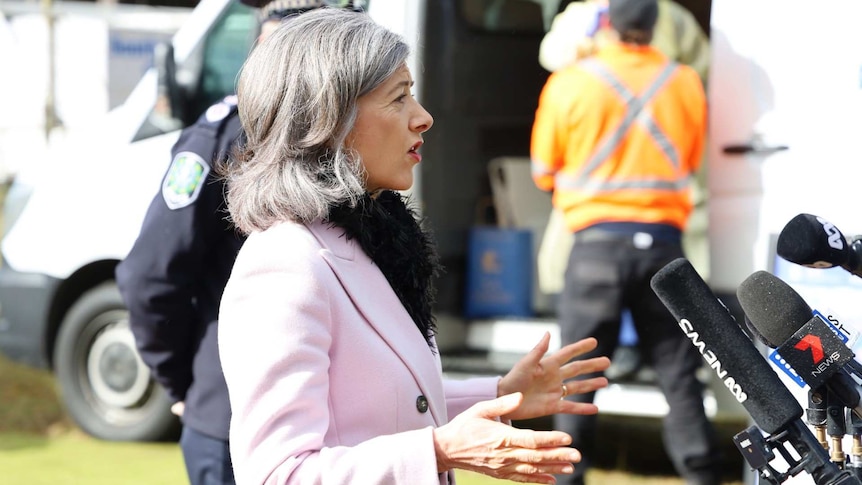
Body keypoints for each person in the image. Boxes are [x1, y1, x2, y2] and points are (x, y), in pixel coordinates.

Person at [217, 7, 611, 485]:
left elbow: (387, 400)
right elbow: (278, 475)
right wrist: (440, 450)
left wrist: (502, 393)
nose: (423, 118)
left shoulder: (369, 238)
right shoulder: (284, 264)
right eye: (398, 98)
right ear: (328, 117)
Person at [114, 2, 342, 484]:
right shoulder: (225, 136)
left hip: (316, 425)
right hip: (237, 417)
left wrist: (185, 383)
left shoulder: (349, 140)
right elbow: (152, 276)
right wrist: (184, 382)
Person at [529, 0, 722, 484]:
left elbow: (542, 172)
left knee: (578, 379)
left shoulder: (571, 81)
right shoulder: (685, 82)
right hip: (665, 250)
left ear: (607, 23)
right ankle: (702, 475)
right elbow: (693, 159)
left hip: (596, 247)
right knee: (679, 376)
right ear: (657, 27)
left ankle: (568, 476)